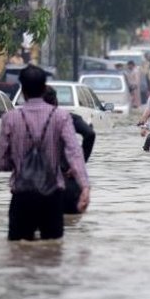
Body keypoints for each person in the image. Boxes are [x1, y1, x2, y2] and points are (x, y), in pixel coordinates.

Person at [0, 65, 90, 241]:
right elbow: (74, 153)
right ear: (44, 87)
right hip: (52, 197)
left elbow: (1, 162)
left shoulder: (10, 118)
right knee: (52, 254)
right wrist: (85, 187)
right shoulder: (61, 117)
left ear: (22, 89)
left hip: (21, 196)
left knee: (18, 254)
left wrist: (18, 163)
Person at [44, 87, 95, 215]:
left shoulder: (28, 120)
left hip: (40, 184)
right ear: (56, 101)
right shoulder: (69, 118)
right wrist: (80, 163)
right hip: (69, 180)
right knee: (72, 227)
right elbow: (90, 134)